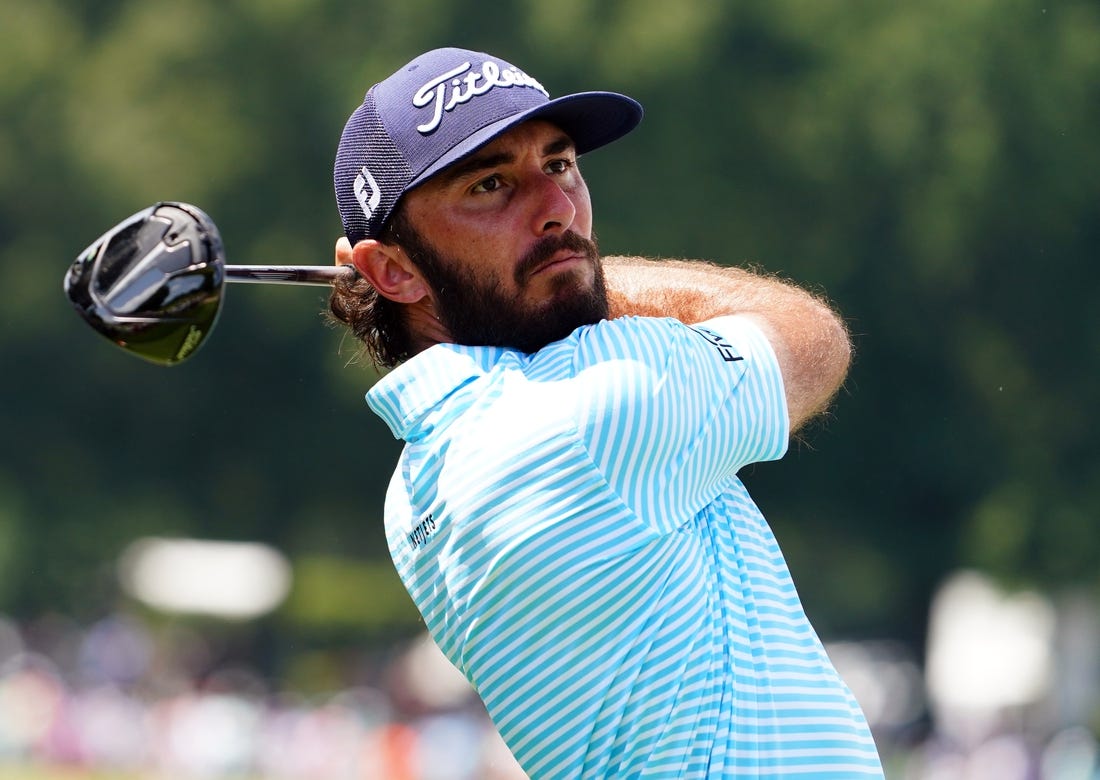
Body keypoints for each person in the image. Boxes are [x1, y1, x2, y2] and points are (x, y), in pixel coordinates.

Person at [329, 47, 884, 779]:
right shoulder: (597, 406)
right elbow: (812, 337)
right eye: (492, 185)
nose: (557, 209)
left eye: (558, 165)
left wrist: (540, 266)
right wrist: (583, 266)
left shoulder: (414, 494)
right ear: (392, 269)